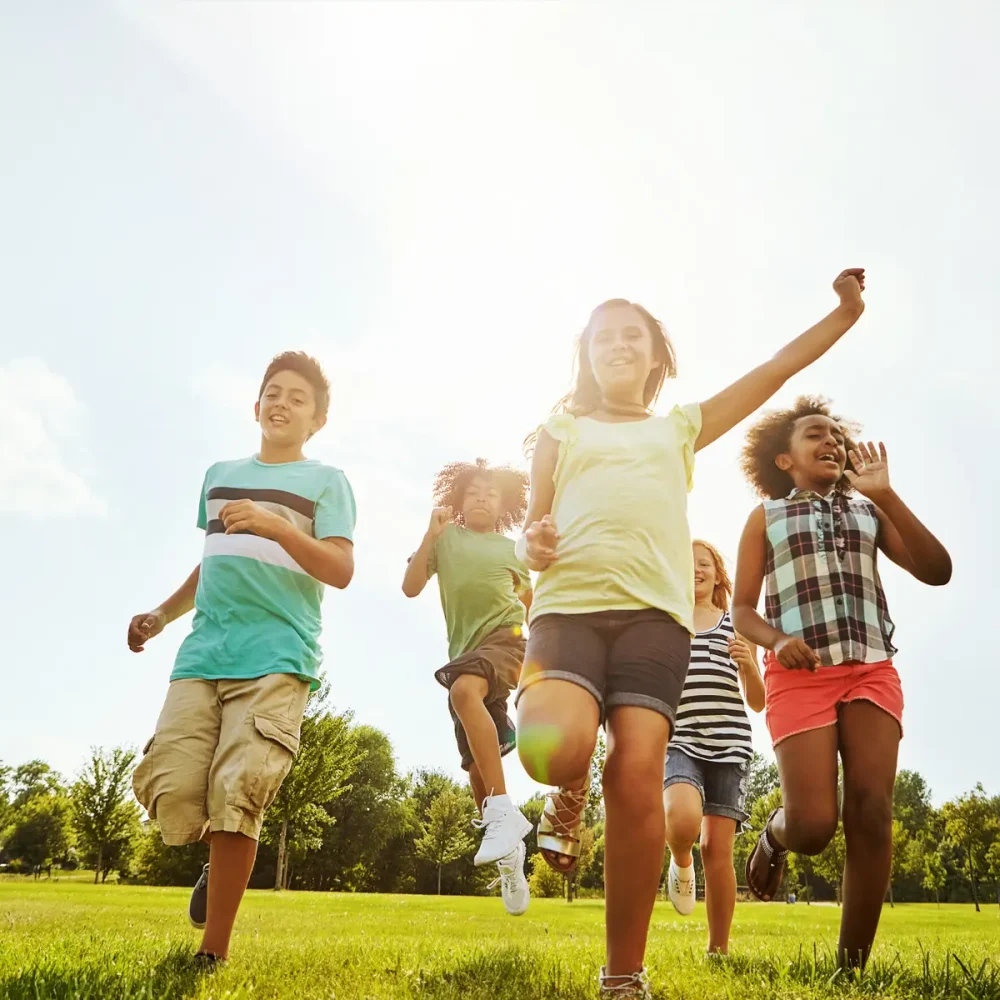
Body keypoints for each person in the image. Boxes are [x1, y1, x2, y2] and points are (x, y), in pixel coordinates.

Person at [514, 269, 869, 998]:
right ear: (585, 355)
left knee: (638, 769)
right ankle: (566, 791)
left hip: (654, 618)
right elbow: (534, 531)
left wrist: (845, 313)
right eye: (603, 336)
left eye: (631, 335)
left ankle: (623, 974)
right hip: (567, 610)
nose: (617, 345)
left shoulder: (678, 428)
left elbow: (774, 371)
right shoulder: (560, 431)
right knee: (555, 750)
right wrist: (535, 546)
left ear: (654, 357)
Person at [129, 352, 356, 966]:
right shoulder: (218, 475)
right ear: (256, 406)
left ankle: (213, 952)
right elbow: (213, 561)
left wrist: (278, 527)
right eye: (272, 392)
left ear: (318, 420)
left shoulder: (326, 481)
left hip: (278, 655)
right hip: (203, 654)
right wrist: (161, 614)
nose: (282, 402)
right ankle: (217, 857)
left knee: (240, 792)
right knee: (174, 790)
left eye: (298, 398)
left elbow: (340, 569)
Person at [731, 396, 951, 968]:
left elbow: (937, 570)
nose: (830, 441)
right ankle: (776, 835)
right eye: (814, 434)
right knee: (812, 827)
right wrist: (777, 642)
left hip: (871, 667)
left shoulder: (869, 511)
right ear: (784, 459)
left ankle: (851, 968)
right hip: (800, 674)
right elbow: (742, 611)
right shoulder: (766, 518)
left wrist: (885, 495)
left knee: (872, 810)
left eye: (836, 434)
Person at [401, 458, 533, 915]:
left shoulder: (513, 549)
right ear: (456, 500)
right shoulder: (446, 539)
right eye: (473, 491)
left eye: (491, 492)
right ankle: (510, 857)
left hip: (507, 641)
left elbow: (530, 603)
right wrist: (430, 534)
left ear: (505, 505)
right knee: (478, 765)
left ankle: (500, 812)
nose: (481, 497)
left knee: (462, 694)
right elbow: (411, 586)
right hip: (465, 656)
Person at [663, 539, 764, 957]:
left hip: (730, 745)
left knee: (717, 849)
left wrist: (749, 664)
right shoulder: (667, 621)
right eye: (686, 563)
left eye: (703, 563)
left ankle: (717, 949)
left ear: (716, 573)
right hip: (681, 739)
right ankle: (681, 861)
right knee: (684, 821)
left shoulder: (735, 625)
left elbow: (757, 701)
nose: (695, 569)